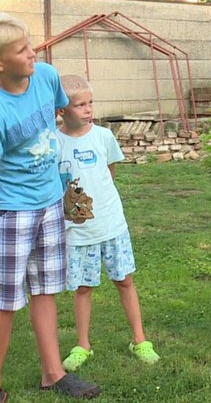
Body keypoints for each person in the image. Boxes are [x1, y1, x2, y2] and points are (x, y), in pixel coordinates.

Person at [0, 13, 101, 402]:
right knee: (4, 298)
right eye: (23, 49)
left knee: (46, 291)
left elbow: (62, 119)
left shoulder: (45, 77)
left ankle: (53, 374)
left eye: (31, 44)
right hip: (13, 213)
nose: (34, 52)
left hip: (50, 204)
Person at [55, 74, 160, 372]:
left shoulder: (103, 137)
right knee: (84, 287)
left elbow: (109, 174)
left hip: (112, 225)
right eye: (80, 105)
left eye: (90, 103)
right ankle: (82, 345)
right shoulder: (54, 142)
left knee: (124, 280)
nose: (88, 109)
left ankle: (140, 340)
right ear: (61, 110)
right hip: (78, 231)